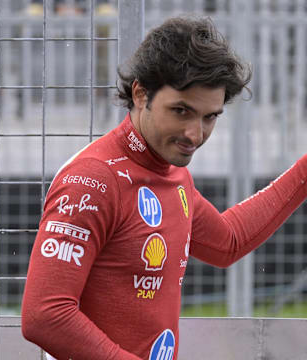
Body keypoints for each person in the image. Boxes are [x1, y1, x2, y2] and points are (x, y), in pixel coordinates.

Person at [21, 15, 307, 360]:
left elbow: (227, 242)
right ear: (141, 94)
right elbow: (45, 316)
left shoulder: (171, 171)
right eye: (181, 111)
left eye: (209, 116)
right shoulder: (93, 181)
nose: (195, 134)